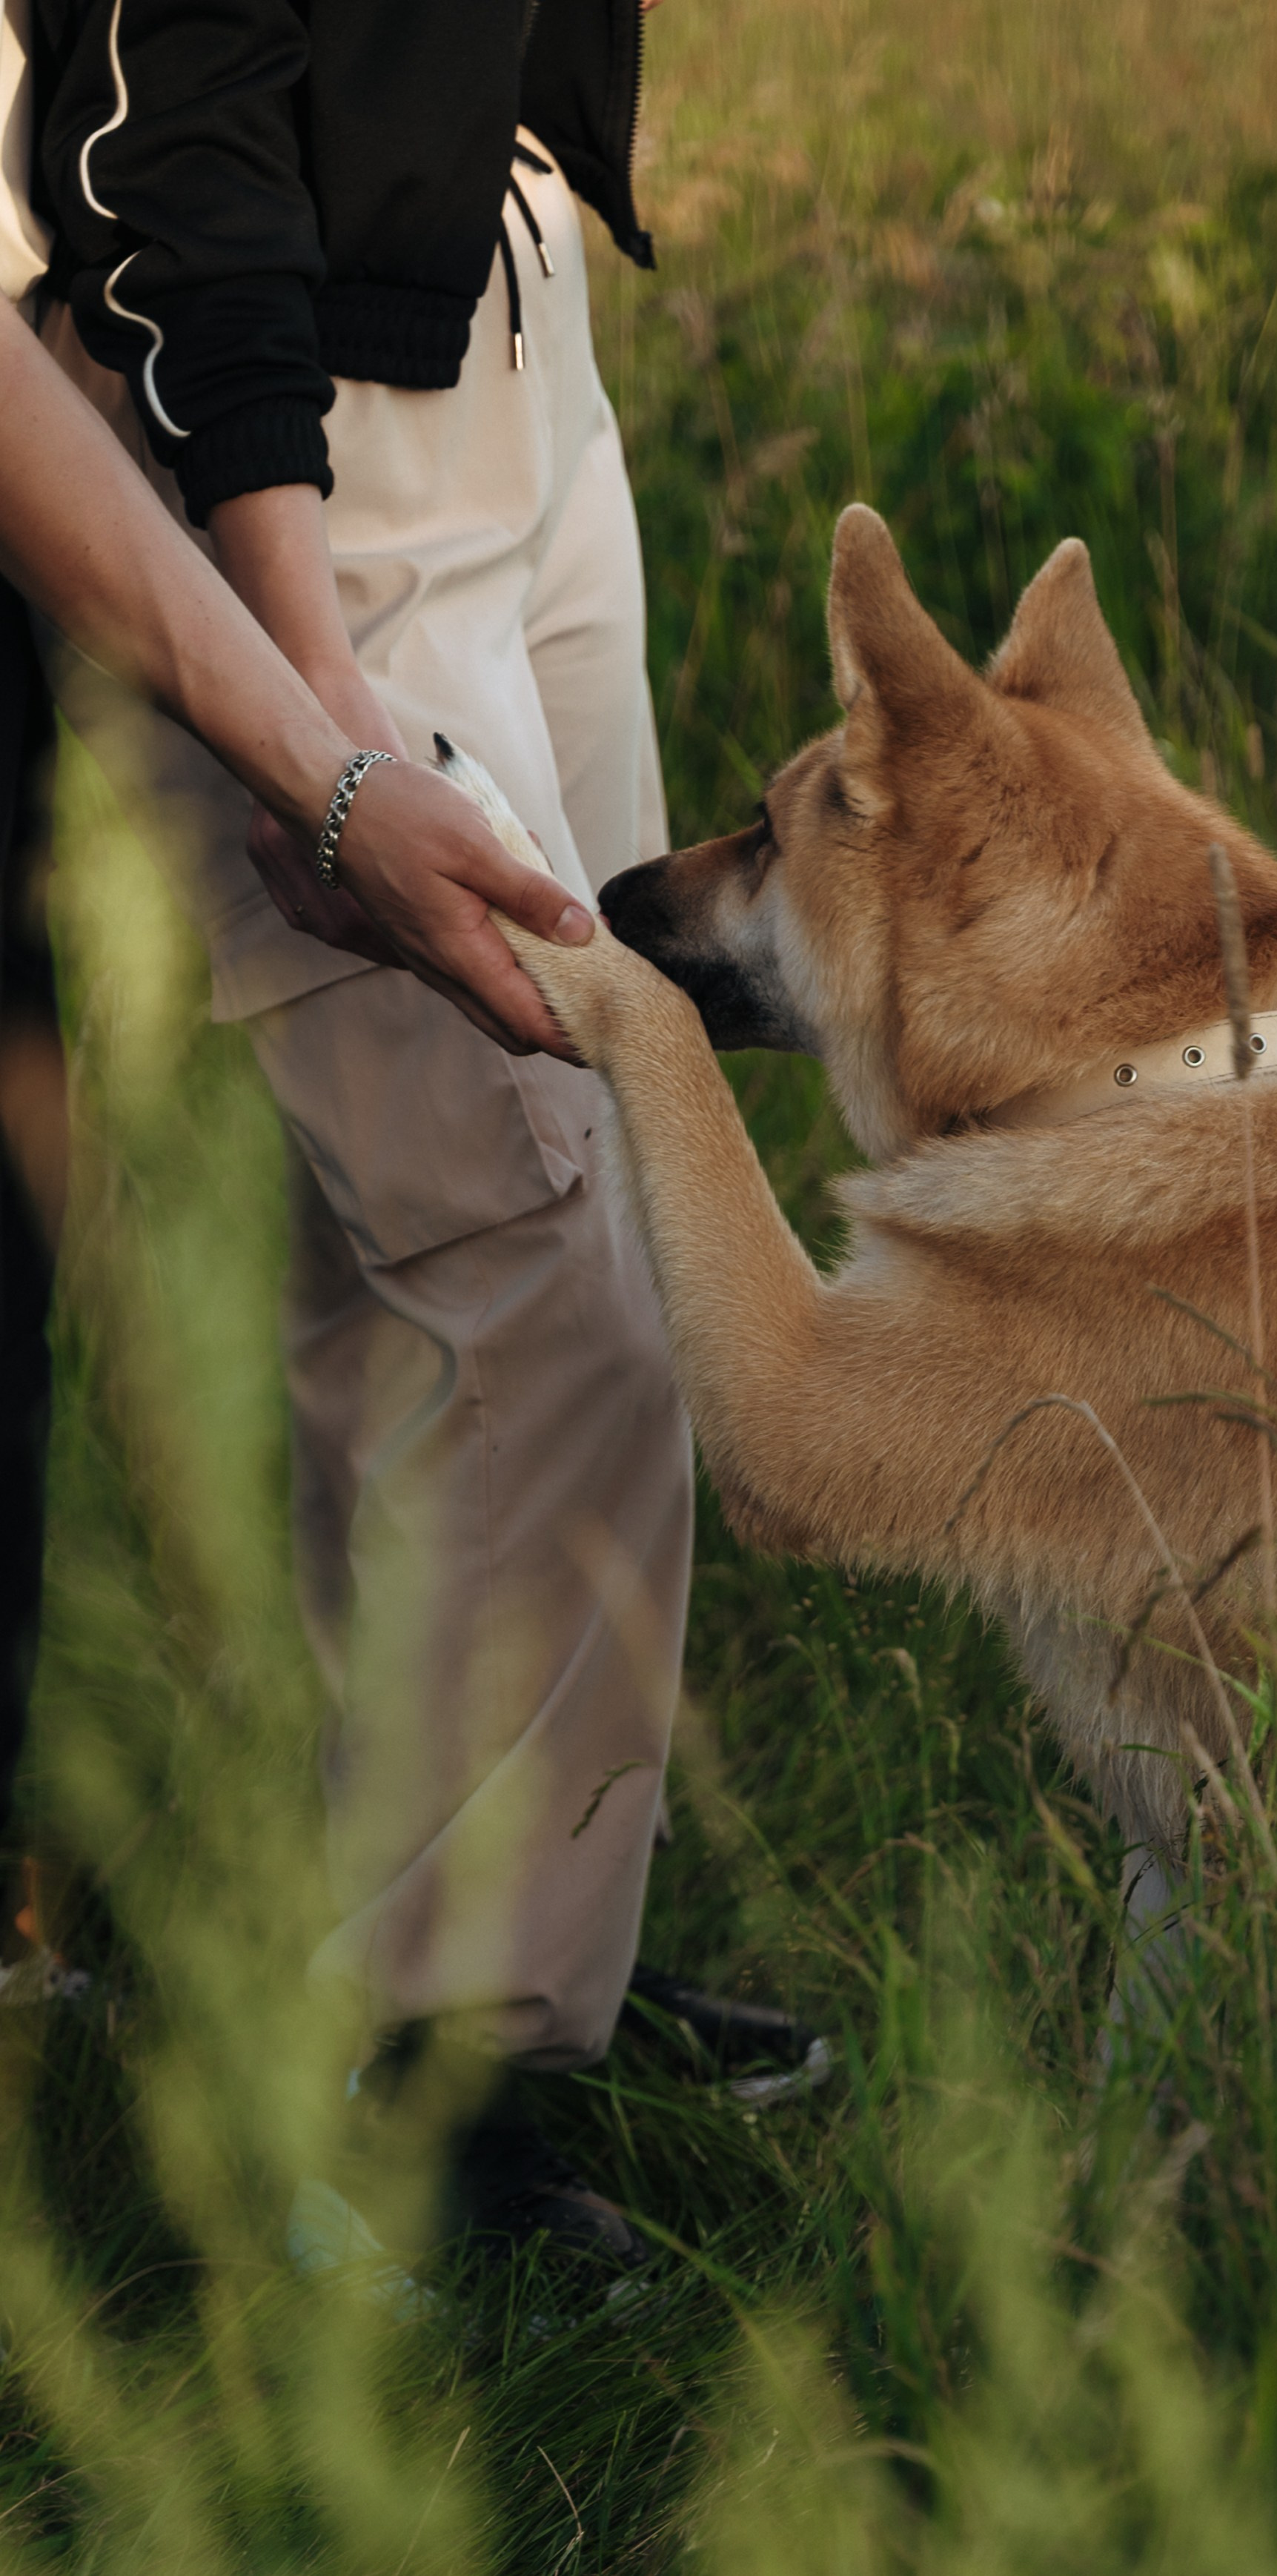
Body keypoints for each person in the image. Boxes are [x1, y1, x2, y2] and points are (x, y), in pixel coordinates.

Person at [14, 0, 822, 2277]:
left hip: (503, 309)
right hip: (279, 418)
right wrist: (306, 689)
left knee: (430, 1277)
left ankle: (487, 1925)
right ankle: (413, 2092)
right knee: (550, 1255)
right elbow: (163, 120)